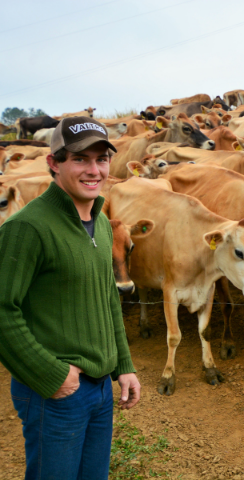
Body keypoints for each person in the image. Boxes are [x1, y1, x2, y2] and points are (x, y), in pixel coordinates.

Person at [0, 116, 141, 480]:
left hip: (99, 387)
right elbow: (2, 309)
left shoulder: (103, 224)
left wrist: (122, 364)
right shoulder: (27, 228)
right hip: (55, 392)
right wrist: (53, 374)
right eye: (80, 159)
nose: (94, 170)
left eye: (101, 159)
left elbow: (107, 299)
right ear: (54, 163)